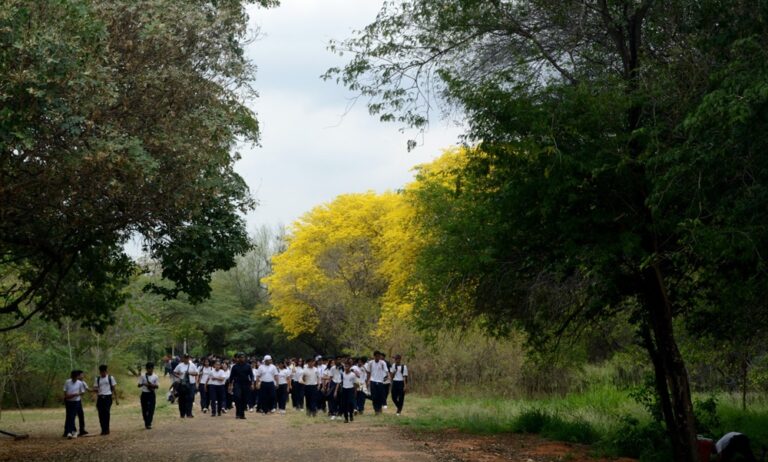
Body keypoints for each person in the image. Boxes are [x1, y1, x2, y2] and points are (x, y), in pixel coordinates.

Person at [92, 364, 118, 435]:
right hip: (100, 397)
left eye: (104, 372)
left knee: (106, 413)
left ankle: (107, 429)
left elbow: (114, 388)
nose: (103, 373)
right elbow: (95, 388)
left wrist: (116, 398)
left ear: (106, 371)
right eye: (101, 372)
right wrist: (94, 395)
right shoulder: (97, 379)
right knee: (100, 414)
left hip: (108, 397)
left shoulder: (110, 378)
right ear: (100, 372)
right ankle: (103, 429)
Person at [63, 370, 88, 439]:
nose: (74, 378)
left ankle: (71, 431)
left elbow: (82, 392)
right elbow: (65, 392)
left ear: (77, 377)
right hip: (68, 401)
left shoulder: (80, 383)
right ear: (71, 376)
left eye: (75, 377)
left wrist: (77, 394)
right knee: (69, 416)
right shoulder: (67, 382)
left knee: (73, 416)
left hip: (76, 401)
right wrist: (71, 395)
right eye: (73, 377)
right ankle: (70, 431)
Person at [365, 351, 391, 415]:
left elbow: (386, 370)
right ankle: (376, 409)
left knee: (380, 396)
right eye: (376, 356)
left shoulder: (382, 363)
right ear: (374, 356)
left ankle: (379, 408)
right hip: (372, 381)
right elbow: (368, 372)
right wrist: (367, 381)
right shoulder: (370, 363)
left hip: (380, 381)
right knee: (374, 396)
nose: (378, 357)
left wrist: (389, 376)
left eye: (379, 356)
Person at [173, 354, 199, 418]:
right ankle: (182, 413)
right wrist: (179, 376)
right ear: (183, 358)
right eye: (185, 358)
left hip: (191, 384)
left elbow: (196, 373)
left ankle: (189, 413)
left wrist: (190, 373)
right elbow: (174, 372)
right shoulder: (180, 365)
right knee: (182, 399)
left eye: (188, 358)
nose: (187, 359)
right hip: (182, 384)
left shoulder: (192, 365)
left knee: (190, 399)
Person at [229, 352, 254, 419]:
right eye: (241, 357)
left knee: (244, 399)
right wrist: (230, 385)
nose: (242, 358)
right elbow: (231, 376)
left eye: (243, 357)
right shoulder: (235, 367)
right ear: (238, 358)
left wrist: (252, 383)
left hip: (246, 384)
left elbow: (251, 375)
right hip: (237, 384)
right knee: (237, 397)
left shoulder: (248, 366)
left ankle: (242, 414)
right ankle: (237, 413)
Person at [137, 362, 159, 429]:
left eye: (151, 369)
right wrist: (144, 384)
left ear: (153, 369)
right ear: (146, 369)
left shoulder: (155, 376)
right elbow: (138, 385)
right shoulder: (142, 376)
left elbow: (157, 386)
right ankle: (146, 420)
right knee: (144, 409)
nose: (150, 370)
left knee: (151, 409)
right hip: (144, 394)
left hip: (151, 394)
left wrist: (151, 385)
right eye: (148, 369)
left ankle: (148, 423)